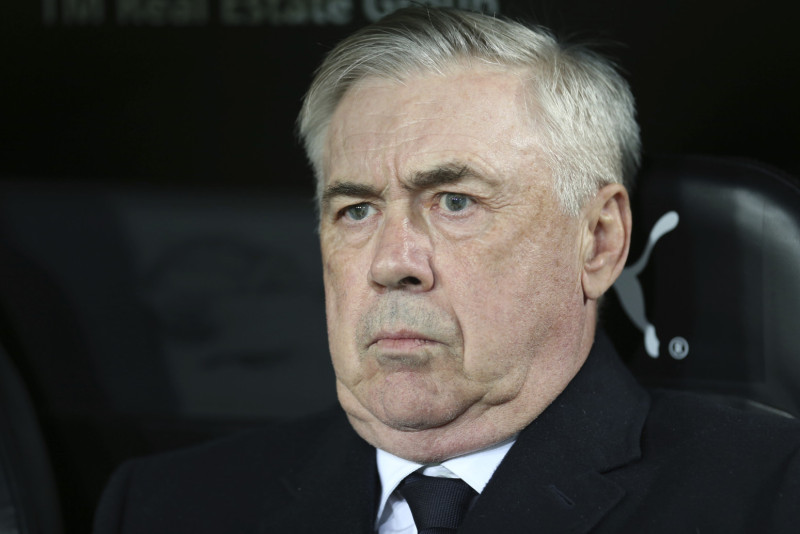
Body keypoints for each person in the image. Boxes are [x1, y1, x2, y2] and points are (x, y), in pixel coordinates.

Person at [94, 7, 800, 533]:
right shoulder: (166, 505)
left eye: (455, 201)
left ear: (597, 241)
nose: (391, 263)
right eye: (356, 210)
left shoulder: (770, 496)